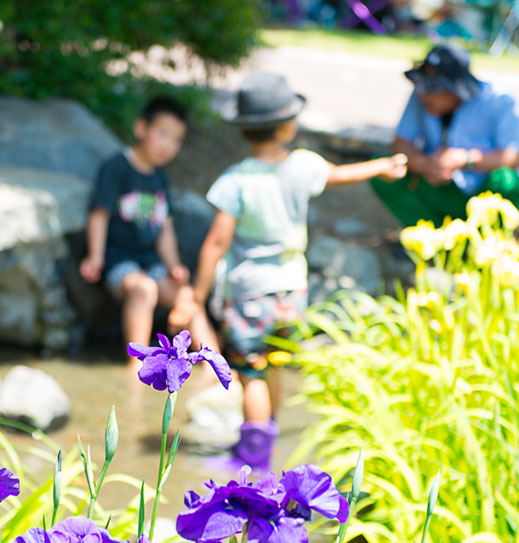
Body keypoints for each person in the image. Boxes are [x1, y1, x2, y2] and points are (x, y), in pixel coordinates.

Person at [183, 72, 407, 471]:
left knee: (251, 373)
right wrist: (383, 166)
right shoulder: (302, 166)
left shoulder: (236, 180)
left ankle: (252, 459)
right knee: (273, 365)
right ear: (287, 126)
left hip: (250, 293)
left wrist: (195, 297)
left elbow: (216, 243)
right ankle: (267, 438)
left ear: (244, 130)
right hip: (292, 292)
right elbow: (340, 175)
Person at [80, 96, 218, 365]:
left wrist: (174, 266)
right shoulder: (117, 168)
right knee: (144, 289)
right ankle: (138, 367)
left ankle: (216, 367)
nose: (168, 145)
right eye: (162, 134)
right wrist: (95, 257)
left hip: (150, 261)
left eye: (176, 140)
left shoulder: (159, 178)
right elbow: (99, 214)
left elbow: (165, 228)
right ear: (141, 128)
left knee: (187, 299)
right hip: (118, 260)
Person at [371, 43, 519, 227]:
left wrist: (466, 159)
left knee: (507, 181)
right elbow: (401, 143)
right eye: (422, 86)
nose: (424, 95)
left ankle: (482, 240)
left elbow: (518, 157)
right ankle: (434, 236)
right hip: (437, 184)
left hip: (479, 186)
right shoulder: (421, 96)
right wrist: (424, 164)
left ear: (456, 90)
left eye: (433, 89)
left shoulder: (500, 101)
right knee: (381, 169)